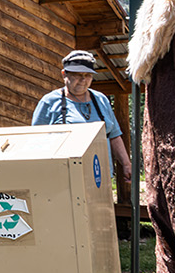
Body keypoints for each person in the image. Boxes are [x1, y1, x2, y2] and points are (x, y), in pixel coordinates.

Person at [30, 49, 133, 183]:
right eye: (77, 75)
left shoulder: (101, 100)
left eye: (88, 75)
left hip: (100, 177)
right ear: (64, 74)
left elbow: (114, 135)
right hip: (64, 178)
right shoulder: (49, 102)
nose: (83, 80)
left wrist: (126, 164)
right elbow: (35, 140)